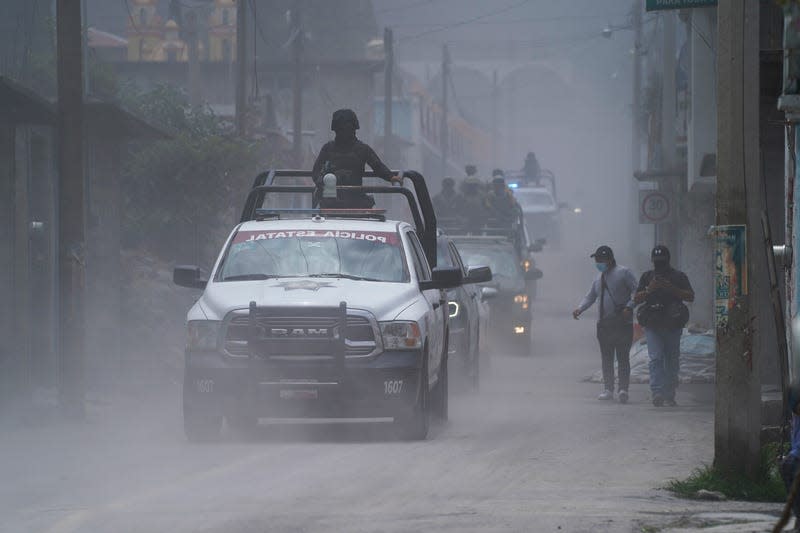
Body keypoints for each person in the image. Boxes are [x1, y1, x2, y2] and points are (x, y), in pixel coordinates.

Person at [573, 245, 638, 403]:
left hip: (622, 323)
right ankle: (608, 389)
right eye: (596, 260)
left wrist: (629, 307)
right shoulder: (598, 278)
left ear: (609, 259)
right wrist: (580, 309)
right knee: (606, 358)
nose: (597, 263)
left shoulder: (624, 273)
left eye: (600, 260)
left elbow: (637, 292)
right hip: (604, 324)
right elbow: (590, 297)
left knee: (623, 357)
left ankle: (623, 389)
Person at [633, 245, 694, 407]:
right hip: (652, 324)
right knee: (656, 358)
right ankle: (657, 392)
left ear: (668, 261)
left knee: (672, 360)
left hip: (673, 325)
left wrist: (671, 288)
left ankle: (670, 393)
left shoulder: (678, 276)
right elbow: (636, 299)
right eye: (657, 262)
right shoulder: (647, 277)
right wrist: (649, 289)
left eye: (662, 262)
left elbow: (690, 296)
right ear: (653, 261)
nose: (659, 265)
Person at [312, 109, 402, 208]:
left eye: (347, 129)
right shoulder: (328, 148)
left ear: (353, 129)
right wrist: (323, 184)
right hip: (331, 200)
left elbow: (377, 165)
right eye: (341, 130)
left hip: (355, 199)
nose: (344, 133)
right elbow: (316, 172)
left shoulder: (362, 149)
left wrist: (390, 177)